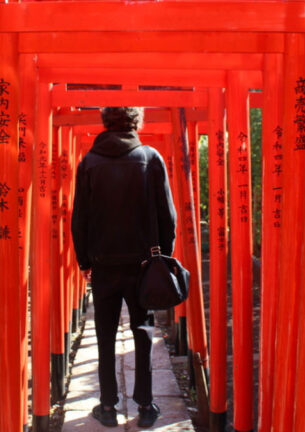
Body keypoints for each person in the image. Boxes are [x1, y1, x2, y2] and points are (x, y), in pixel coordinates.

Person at [71, 106, 176, 428]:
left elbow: (80, 218)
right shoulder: (150, 157)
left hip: (103, 265)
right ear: (137, 123)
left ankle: (107, 406)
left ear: (105, 123)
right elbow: (167, 216)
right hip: (143, 265)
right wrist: (162, 259)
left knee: (104, 334)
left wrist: (85, 261)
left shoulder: (89, 162)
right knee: (143, 331)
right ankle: (146, 406)